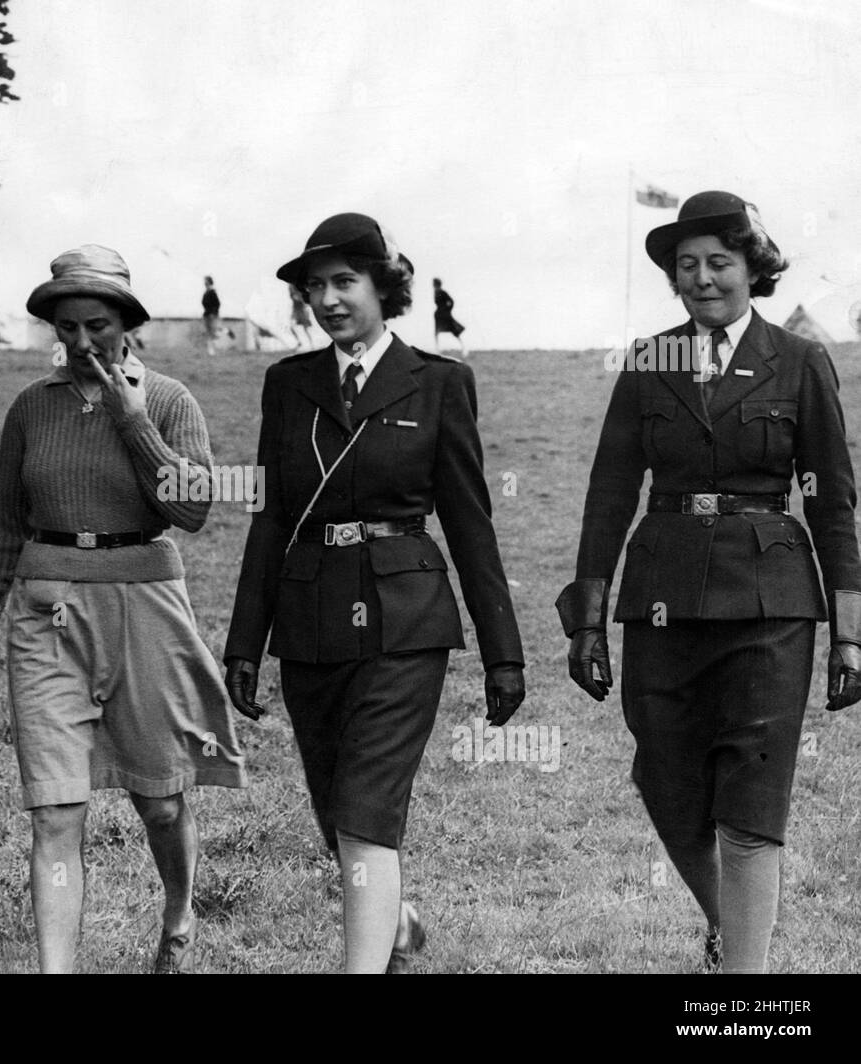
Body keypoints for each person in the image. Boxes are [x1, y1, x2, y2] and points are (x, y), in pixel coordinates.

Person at [557, 190, 861, 973]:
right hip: (662, 599)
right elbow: (609, 491)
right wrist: (587, 617)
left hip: (772, 603)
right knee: (665, 780)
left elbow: (833, 503)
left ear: (751, 268)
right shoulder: (649, 359)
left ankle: (744, 986)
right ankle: (731, 927)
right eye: (686, 266)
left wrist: (849, 633)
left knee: (751, 803)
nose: (702, 279)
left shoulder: (799, 361)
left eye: (719, 262)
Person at [223, 213, 525, 973]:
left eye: (344, 282)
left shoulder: (440, 382)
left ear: (383, 288)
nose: (327, 299)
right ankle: (391, 918)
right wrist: (243, 645)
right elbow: (271, 518)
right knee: (336, 809)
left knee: (364, 806)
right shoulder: (286, 386)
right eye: (313, 287)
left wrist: (504, 655)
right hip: (310, 616)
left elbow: (470, 522)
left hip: (406, 621)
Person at [0, 244, 246, 973]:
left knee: (163, 801)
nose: (82, 342)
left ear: (127, 325)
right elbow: (3, 522)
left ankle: (178, 917)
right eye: (67, 327)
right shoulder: (31, 408)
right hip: (46, 610)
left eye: (98, 325)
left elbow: (196, 511)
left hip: (145, 605)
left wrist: (133, 423)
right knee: (54, 809)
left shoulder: (171, 400)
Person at [433, 277, 468, 357]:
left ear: (437, 284)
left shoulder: (442, 292)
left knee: (454, 331)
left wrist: (447, 310)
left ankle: (464, 348)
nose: (434, 286)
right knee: (436, 332)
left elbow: (451, 301)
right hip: (439, 315)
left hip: (444, 315)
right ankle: (437, 350)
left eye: (434, 284)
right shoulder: (435, 292)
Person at [288, 285, 314, 349]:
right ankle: (299, 342)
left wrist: (306, 308)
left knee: (306, 329)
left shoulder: (297, 287)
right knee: (292, 326)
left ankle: (311, 344)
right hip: (296, 310)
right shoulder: (291, 286)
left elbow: (302, 299)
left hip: (301, 311)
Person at [201, 275, 221, 356]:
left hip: (211, 316)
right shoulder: (206, 292)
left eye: (206, 281)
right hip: (206, 315)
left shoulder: (212, 292)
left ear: (209, 282)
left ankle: (213, 350)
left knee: (212, 333)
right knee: (208, 333)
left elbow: (217, 304)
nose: (204, 282)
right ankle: (210, 350)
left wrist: (213, 313)